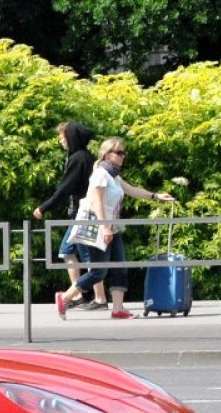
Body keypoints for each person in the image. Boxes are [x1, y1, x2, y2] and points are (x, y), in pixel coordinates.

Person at [55, 137, 175, 320]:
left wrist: (155, 196)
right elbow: (96, 202)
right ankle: (64, 298)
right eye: (118, 153)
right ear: (106, 154)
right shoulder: (100, 174)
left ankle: (118, 309)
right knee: (98, 272)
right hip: (97, 228)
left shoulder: (113, 175)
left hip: (111, 226)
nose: (122, 156)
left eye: (123, 153)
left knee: (120, 267)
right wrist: (105, 228)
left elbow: (132, 190)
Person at [32, 122, 105, 308]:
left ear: (72, 138)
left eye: (63, 137)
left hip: (83, 214)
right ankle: (77, 294)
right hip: (84, 213)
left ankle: (98, 298)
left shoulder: (78, 159)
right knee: (70, 252)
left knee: (84, 255)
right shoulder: (86, 157)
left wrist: (44, 207)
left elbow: (65, 189)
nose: (61, 140)